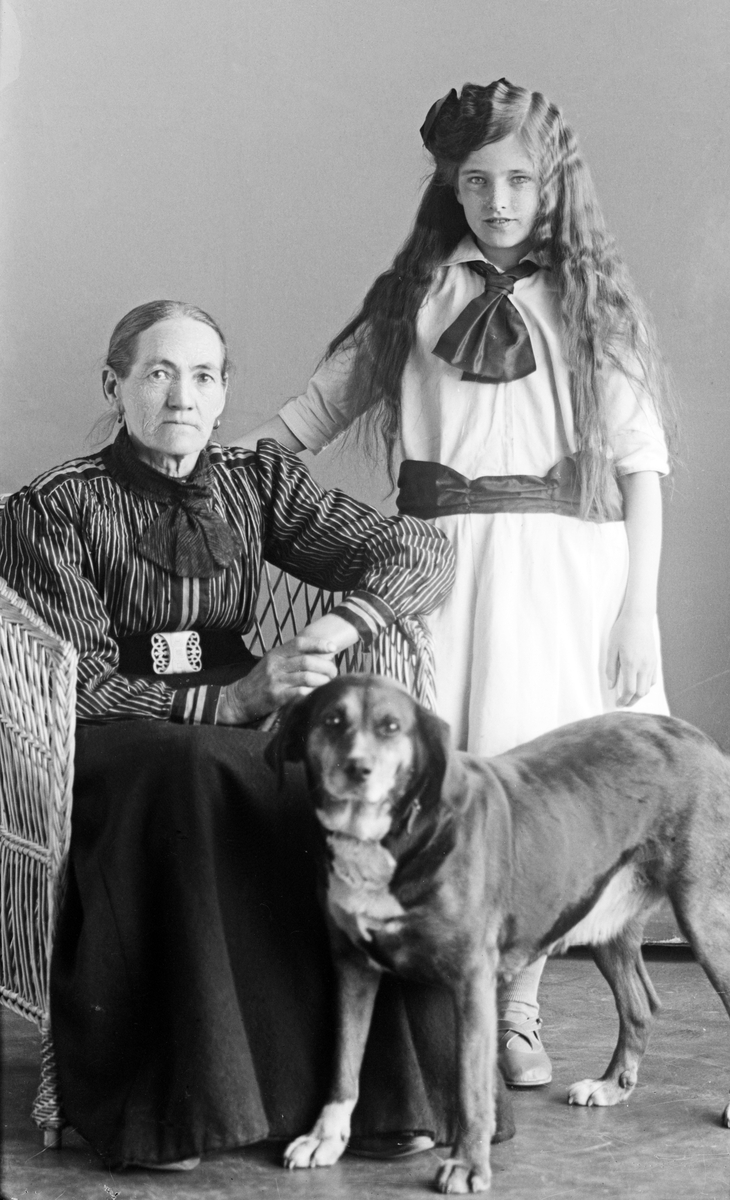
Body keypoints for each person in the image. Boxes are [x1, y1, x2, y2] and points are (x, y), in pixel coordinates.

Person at [237, 80, 676, 1088]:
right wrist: (211, 470)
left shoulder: (592, 308)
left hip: (564, 571)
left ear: (552, 185)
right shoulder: (415, 299)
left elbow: (642, 468)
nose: (499, 201)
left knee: (536, 786)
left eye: (519, 180)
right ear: (450, 185)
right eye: (477, 181)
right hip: (439, 565)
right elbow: (305, 418)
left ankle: (517, 1011)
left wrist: (639, 609)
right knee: (439, 775)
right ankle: (418, 1032)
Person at [0, 301, 457, 1169]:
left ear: (221, 395)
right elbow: (78, 676)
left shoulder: (257, 482)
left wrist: (337, 631)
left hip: (246, 695)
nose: (182, 396)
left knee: (331, 784)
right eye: (158, 373)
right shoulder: (54, 506)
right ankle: (180, 1108)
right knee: (187, 768)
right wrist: (227, 705)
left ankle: (373, 1096)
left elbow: (422, 551)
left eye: (202, 376)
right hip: (120, 725)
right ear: (115, 386)